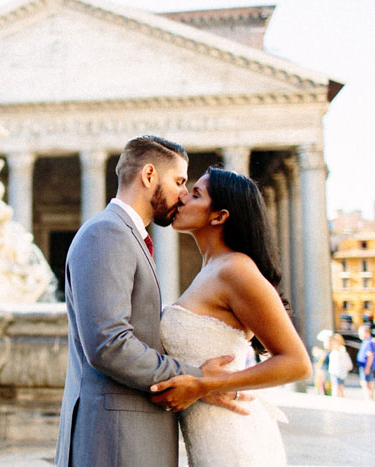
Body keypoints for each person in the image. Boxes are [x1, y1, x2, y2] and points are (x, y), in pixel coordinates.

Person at [55, 136, 246, 467]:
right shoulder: (107, 233)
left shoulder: (124, 235)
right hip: (115, 440)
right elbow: (108, 343)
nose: (183, 195)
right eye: (179, 181)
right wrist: (195, 378)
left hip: (128, 436)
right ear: (148, 175)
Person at [149, 167, 312, 466]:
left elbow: (297, 364)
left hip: (237, 439)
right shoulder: (211, 270)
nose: (182, 197)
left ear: (219, 216)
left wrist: (205, 385)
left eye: (196, 194)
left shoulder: (235, 269)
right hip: (213, 437)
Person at [328, 333, 353, 397]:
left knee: (340, 387)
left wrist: (349, 366)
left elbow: (346, 360)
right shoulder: (333, 350)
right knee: (336, 387)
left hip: (341, 371)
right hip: (334, 371)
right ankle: (336, 400)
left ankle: (340, 400)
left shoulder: (342, 350)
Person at [356, 324, 374, 400]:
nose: (359, 334)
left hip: (366, 366)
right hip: (365, 366)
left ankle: (369, 398)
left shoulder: (369, 342)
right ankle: (370, 398)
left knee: (366, 383)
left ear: (366, 333)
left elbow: (370, 355)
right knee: (367, 382)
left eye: (361, 332)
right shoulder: (366, 341)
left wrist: (367, 367)